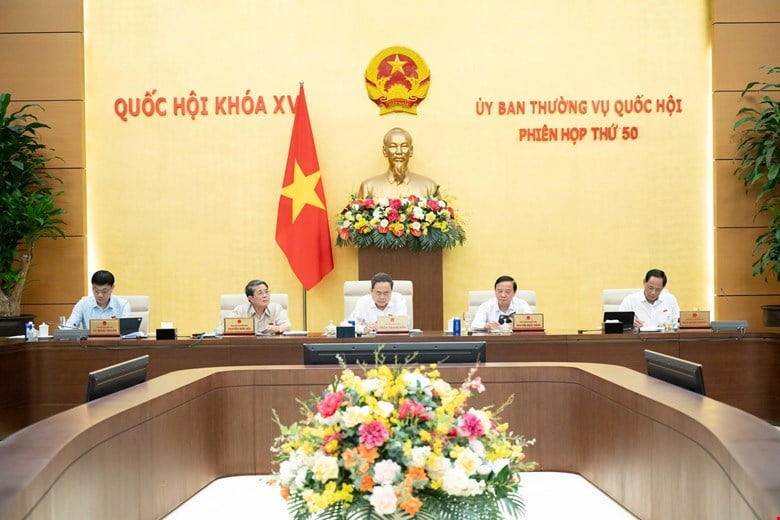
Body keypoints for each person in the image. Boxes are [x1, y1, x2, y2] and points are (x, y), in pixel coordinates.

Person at [357, 127, 439, 199]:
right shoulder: (368, 187)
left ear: (411, 151)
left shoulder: (429, 186)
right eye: (393, 146)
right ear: (385, 151)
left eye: (404, 146)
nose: (399, 152)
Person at [64, 270, 131, 329]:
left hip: (115, 343)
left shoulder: (123, 305)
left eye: (104, 291)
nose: (100, 295)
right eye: (96, 291)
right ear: (92, 287)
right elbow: (70, 325)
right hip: (90, 343)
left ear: (112, 287)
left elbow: (127, 331)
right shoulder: (83, 304)